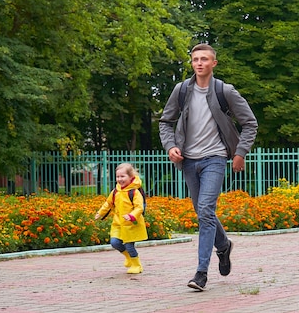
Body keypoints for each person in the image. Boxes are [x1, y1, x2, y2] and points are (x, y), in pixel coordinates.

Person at [159, 43, 258, 291]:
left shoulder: (225, 91)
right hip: (188, 161)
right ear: (192, 63)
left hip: (215, 158)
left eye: (204, 59)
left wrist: (240, 153)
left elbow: (250, 123)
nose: (199, 63)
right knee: (203, 212)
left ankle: (201, 273)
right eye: (195, 59)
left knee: (205, 209)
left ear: (214, 63)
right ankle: (223, 246)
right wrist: (170, 146)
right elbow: (165, 122)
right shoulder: (181, 90)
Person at [95, 163, 148, 274]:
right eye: (118, 176)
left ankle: (136, 265)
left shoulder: (134, 192)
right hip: (118, 223)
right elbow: (108, 203)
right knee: (115, 242)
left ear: (131, 177)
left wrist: (131, 215)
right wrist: (100, 212)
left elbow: (139, 207)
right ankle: (128, 257)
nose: (119, 179)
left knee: (129, 245)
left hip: (131, 224)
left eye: (122, 176)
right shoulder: (116, 191)